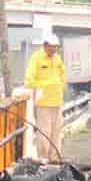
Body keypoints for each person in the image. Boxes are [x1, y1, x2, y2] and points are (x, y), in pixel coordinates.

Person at [24, 32, 67, 160]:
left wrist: (59, 86)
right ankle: (43, 158)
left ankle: (55, 158)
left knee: (57, 132)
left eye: (55, 47)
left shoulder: (57, 59)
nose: (53, 49)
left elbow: (62, 76)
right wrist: (45, 86)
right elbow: (29, 80)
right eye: (51, 46)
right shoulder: (36, 58)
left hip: (57, 102)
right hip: (43, 103)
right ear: (45, 45)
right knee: (44, 133)